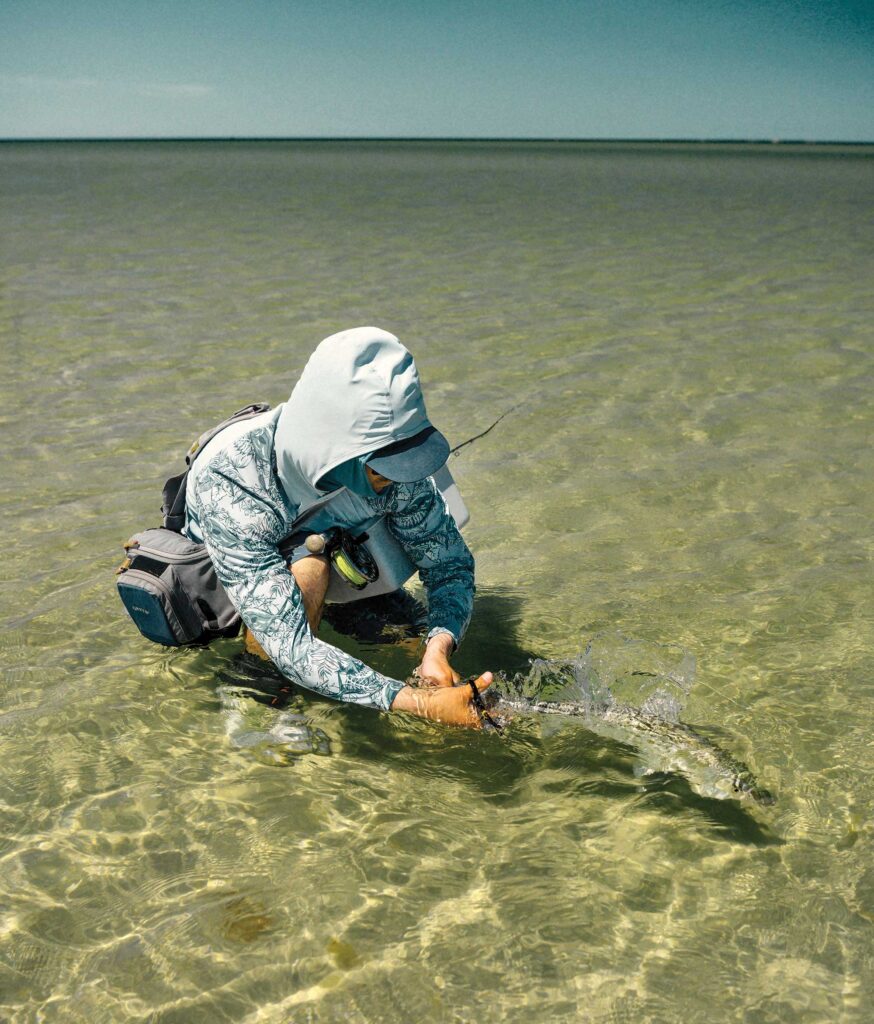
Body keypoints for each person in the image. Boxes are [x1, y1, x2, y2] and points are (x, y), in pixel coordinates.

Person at [183, 326, 492, 727]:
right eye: (384, 467)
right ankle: (258, 696)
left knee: (417, 647)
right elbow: (290, 646)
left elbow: (449, 564)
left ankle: (360, 617)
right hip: (244, 570)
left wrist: (439, 644)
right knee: (309, 573)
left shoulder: (394, 464)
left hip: (337, 539)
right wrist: (417, 704)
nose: (400, 476)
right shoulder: (230, 486)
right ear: (334, 448)